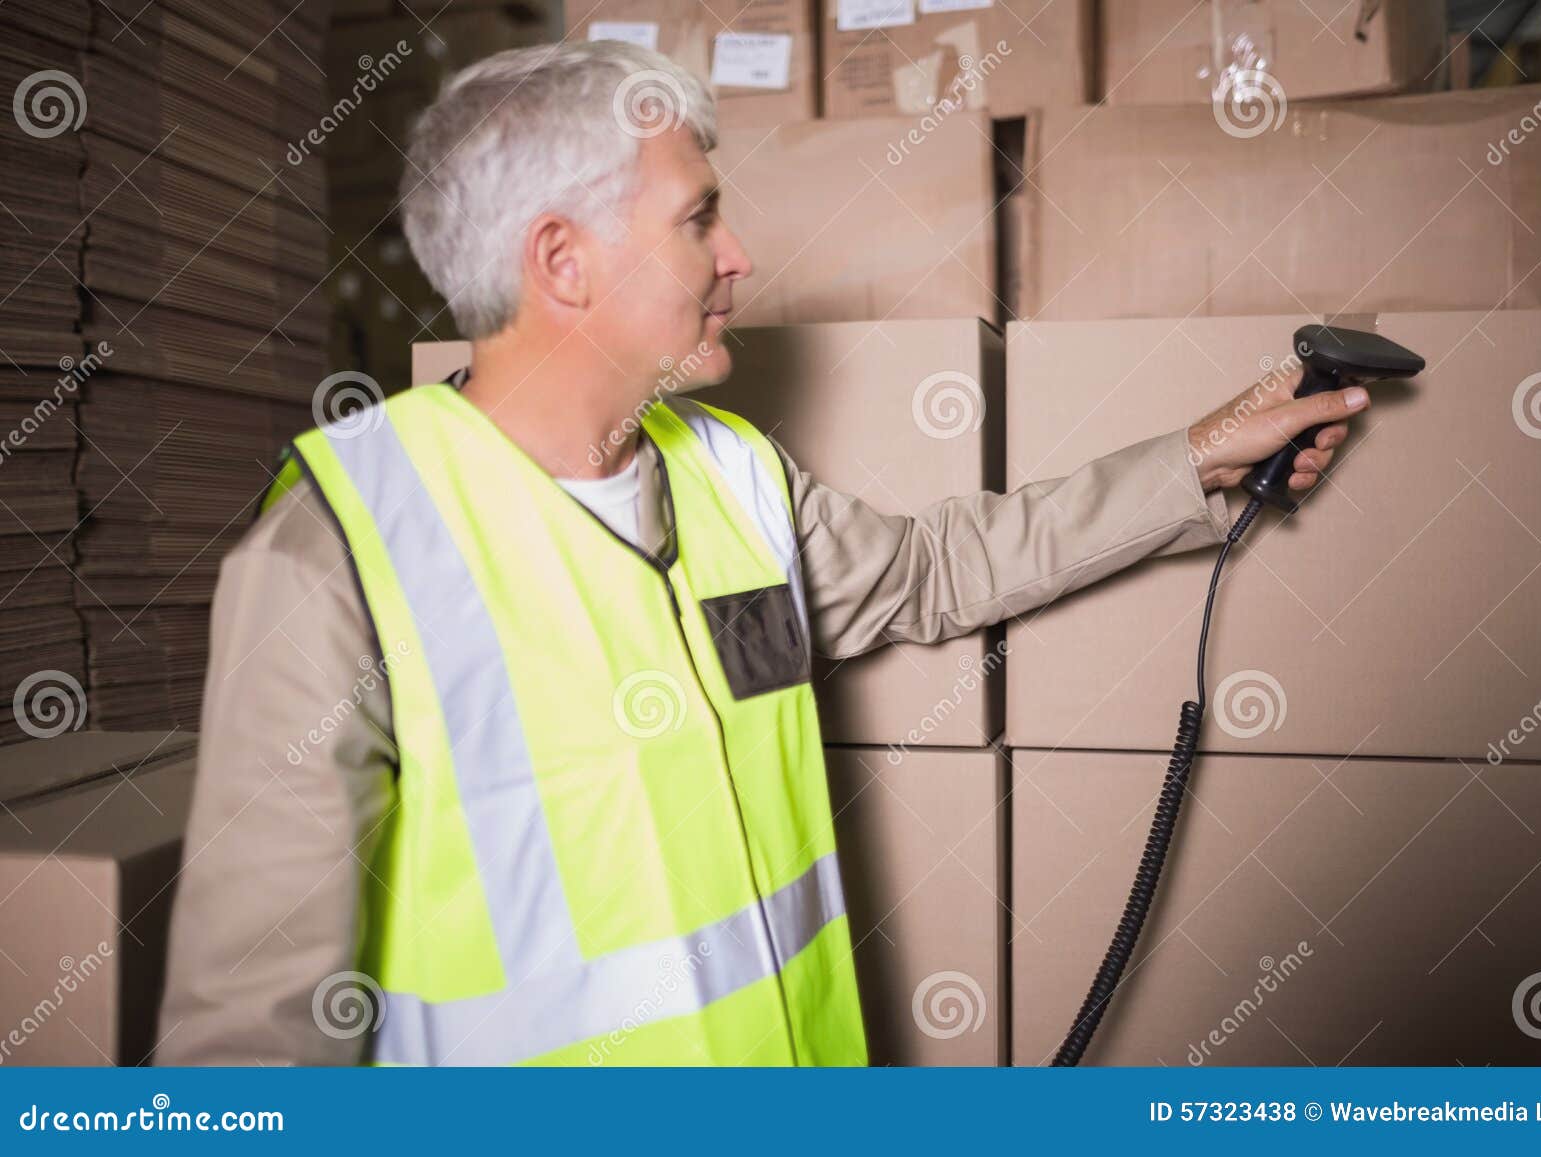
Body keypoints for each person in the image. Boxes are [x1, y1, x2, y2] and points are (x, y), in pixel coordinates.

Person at [156, 40, 1366, 1066]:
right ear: (562, 261)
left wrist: (1197, 456)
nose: (736, 253)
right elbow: (251, 1037)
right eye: (697, 217)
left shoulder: (731, 473)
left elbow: (936, 569)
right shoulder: (339, 550)